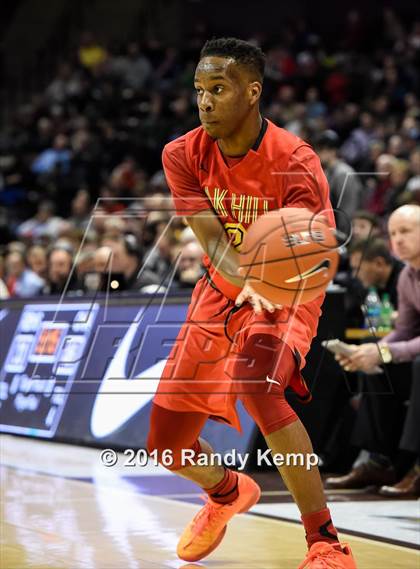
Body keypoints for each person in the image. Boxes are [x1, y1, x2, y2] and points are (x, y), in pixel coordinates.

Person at [147, 38, 356, 568]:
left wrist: (273, 280)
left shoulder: (295, 161)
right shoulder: (182, 153)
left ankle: (325, 542)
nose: (205, 102)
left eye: (218, 89)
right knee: (166, 446)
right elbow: (213, 241)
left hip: (290, 291)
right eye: (199, 91)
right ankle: (225, 493)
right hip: (223, 286)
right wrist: (245, 281)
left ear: (252, 91)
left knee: (259, 384)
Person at [330, 205, 420, 494]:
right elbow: (404, 330)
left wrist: (385, 352)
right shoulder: (408, 276)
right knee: (376, 367)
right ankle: (380, 461)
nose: (398, 239)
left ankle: (415, 464)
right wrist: (371, 353)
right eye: (393, 233)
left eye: (405, 231)